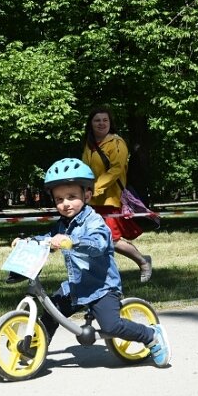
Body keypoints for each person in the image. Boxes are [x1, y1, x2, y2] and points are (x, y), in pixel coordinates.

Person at [12, 158, 171, 367]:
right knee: (51, 312)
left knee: (112, 326)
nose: (65, 203)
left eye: (71, 197)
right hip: (76, 286)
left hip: (102, 288)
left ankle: (151, 336)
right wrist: (28, 242)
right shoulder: (63, 224)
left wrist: (73, 241)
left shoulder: (95, 221)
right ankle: (36, 346)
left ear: (87, 195)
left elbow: (98, 243)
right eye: (59, 199)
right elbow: (48, 238)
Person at [80, 107, 153, 282]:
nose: (101, 123)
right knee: (91, 238)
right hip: (91, 200)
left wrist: (95, 188)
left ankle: (143, 262)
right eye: (97, 120)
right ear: (91, 123)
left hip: (110, 199)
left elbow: (117, 169)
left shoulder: (117, 142)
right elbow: (84, 170)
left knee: (111, 239)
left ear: (111, 123)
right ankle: (99, 275)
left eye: (105, 120)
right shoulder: (89, 145)